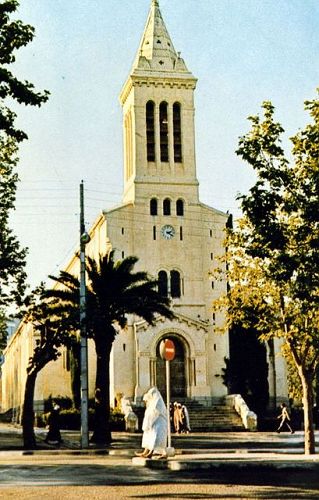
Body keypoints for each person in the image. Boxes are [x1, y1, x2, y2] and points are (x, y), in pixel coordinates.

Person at [135, 387, 167, 459]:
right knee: (150, 438)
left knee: (156, 439)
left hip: (160, 423)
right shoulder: (153, 402)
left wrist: (149, 421)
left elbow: (155, 412)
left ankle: (151, 453)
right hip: (155, 423)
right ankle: (145, 452)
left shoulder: (158, 401)